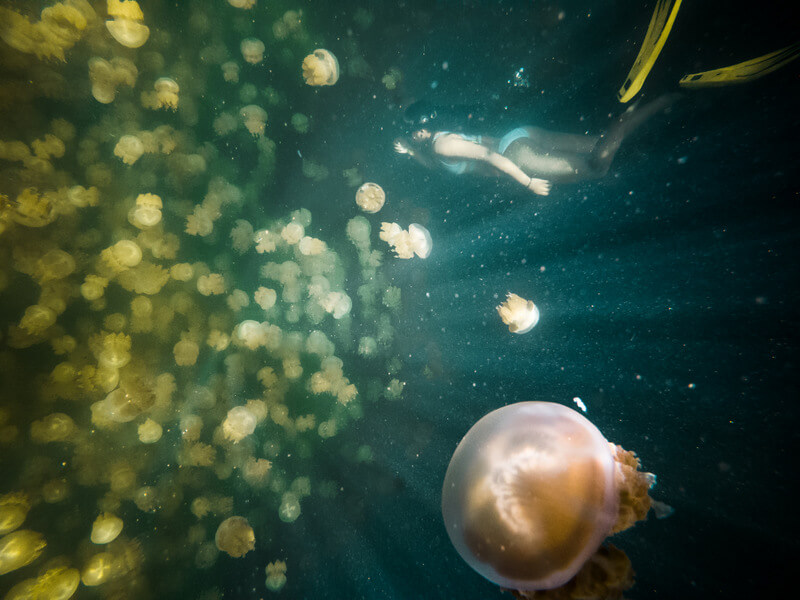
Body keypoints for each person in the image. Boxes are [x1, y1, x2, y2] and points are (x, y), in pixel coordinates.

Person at [393, 95, 678, 195]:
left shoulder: (442, 146)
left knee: (597, 167)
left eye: (413, 130)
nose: (411, 134)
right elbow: (433, 163)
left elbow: (489, 155)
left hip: (516, 157)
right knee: (597, 144)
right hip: (518, 136)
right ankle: (654, 102)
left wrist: (526, 181)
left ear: (423, 127)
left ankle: (634, 108)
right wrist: (410, 152)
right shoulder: (437, 140)